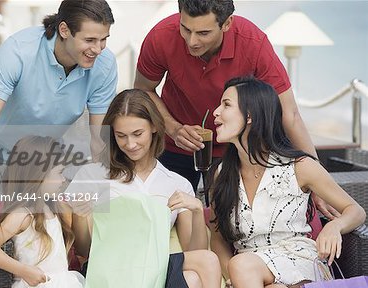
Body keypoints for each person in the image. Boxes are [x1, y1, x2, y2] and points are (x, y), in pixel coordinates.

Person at [133, 0, 338, 218]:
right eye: (185, 28)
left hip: (235, 151)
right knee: (165, 218)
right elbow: (143, 89)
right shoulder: (161, 36)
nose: (191, 41)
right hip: (175, 145)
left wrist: (320, 182)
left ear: (227, 23)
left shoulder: (253, 43)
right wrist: (173, 128)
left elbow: (290, 114)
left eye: (203, 33)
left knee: (229, 223)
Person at [0, 0, 117, 221]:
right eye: (89, 40)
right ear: (64, 30)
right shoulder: (19, 51)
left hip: (37, 157)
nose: (98, 49)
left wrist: (106, 185)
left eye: (103, 39)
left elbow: (99, 139)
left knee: (38, 231)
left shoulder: (104, 65)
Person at [208, 77, 366, 288]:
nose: (215, 112)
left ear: (250, 115)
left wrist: (334, 227)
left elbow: (356, 210)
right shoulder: (221, 174)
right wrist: (230, 275)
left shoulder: (300, 166)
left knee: (244, 265)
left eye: (226, 105)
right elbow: (218, 239)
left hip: (298, 261)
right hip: (251, 277)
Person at [68, 89, 222, 288]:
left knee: (200, 271)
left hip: (155, 270)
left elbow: (194, 251)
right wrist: (79, 214)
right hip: (109, 270)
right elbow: (85, 249)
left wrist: (196, 210)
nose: (130, 144)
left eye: (137, 134)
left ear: (154, 128)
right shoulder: (93, 175)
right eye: (121, 136)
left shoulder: (175, 183)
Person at [0, 136, 86, 288]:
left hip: (63, 287)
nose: (63, 180)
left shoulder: (51, 206)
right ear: (37, 176)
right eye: (59, 173)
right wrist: (23, 270)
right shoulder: (23, 214)